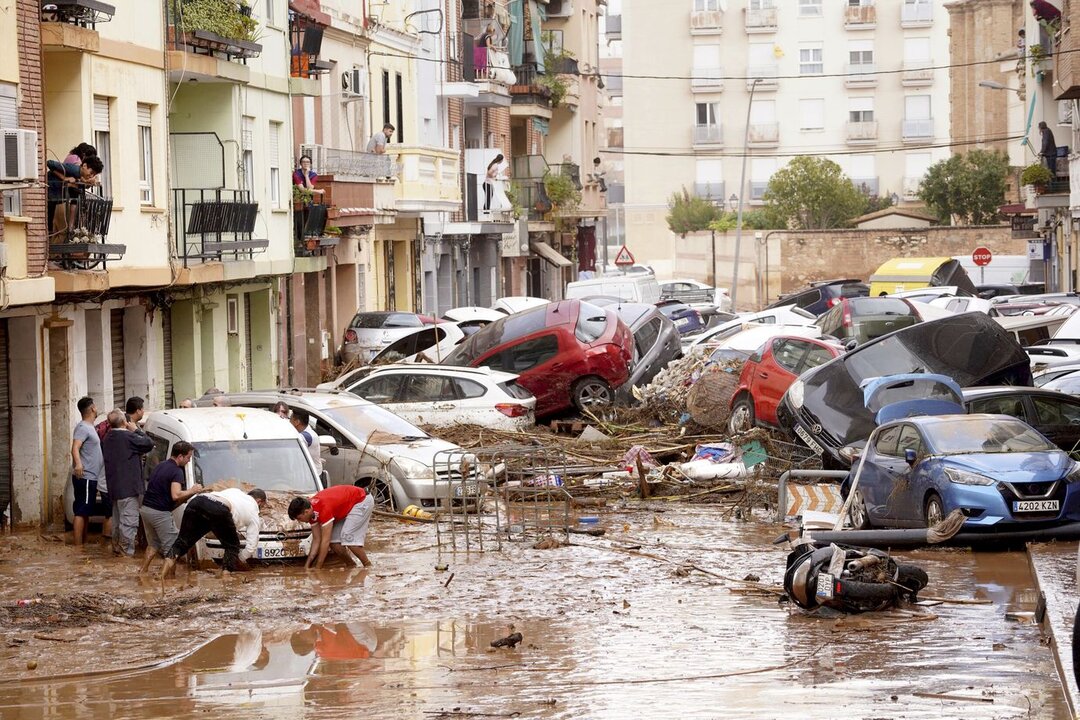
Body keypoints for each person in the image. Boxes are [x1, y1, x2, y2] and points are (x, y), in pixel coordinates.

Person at [160, 487, 267, 577]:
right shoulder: (254, 512)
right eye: (262, 506)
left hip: (198, 501)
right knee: (232, 546)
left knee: (182, 542)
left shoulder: (236, 491)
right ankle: (226, 579)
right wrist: (239, 559)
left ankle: (161, 577)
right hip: (219, 510)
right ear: (259, 501)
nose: (261, 509)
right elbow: (252, 545)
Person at [139, 441, 203, 573]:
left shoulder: (161, 465)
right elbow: (175, 494)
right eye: (188, 457)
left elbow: (163, 491)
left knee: (153, 543)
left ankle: (143, 571)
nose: (189, 461)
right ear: (180, 456)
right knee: (173, 547)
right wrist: (193, 490)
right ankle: (167, 579)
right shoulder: (176, 471)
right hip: (159, 513)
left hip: (146, 510)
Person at [101, 409, 153, 556]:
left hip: (114, 488)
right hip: (129, 488)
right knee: (129, 523)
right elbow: (149, 443)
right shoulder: (128, 437)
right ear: (124, 422)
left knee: (118, 522)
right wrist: (137, 430)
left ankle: (117, 550)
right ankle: (126, 555)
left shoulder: (108, 437)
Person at [288, 485, 374, 569]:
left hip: (362, 500)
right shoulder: (310, 511)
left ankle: (368, 566)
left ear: (306, 512)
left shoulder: (323, 508)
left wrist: (318, 568)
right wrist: (307, 566)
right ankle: (351, 565)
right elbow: (316, 540)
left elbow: (325, 541)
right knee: (334, 542)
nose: (300, 521)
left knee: (348, 537)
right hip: (347, 505)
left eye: (299, 518)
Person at [71, 396, 107, 546]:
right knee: (81, 511)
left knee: (85, 512)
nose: (97, 408)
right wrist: (78, 464)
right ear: (92, 408)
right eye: (96, 406)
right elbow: (75, 448)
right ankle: (78, 547)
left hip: (91, 477)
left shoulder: (89, 426)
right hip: (85, 476)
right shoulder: (83, 427)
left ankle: (83, 544)